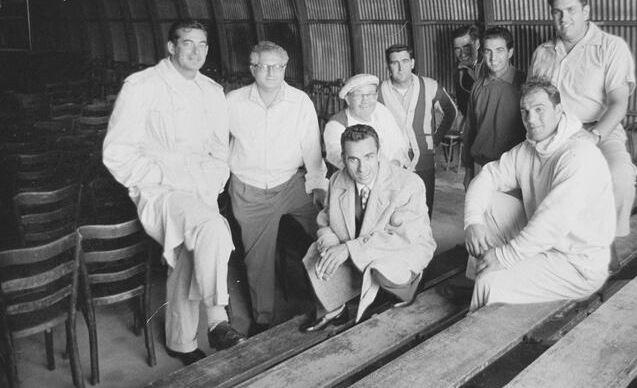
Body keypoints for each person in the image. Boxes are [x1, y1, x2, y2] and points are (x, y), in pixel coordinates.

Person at [103, 21, 245, 365]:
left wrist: (211, 183)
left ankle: (180, 343)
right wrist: (161, 177)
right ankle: (217, 320)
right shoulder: (142, 86)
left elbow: (219, 150)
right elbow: (116, 153)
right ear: (171, 47)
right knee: (213, 229)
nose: (196, 52)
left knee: (189, 254)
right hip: (160, 190)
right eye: (187, 43)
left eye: (202, 45)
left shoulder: (211, 91)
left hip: (201, 187)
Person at [464, 79, 616, 311]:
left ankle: (484, 298)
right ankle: (479, 281)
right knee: (488, 204)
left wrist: (503, 257)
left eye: (539, 109)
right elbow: (487, 176)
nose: (531, 119)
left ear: (558, 110)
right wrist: (472, 221)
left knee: (489, 281)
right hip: (546, 244)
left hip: (577, 264)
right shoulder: (529, 148)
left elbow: (551, 224)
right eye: (525, 112)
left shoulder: (577, 154)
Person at [226, 41, 327, 332]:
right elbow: (218, 147)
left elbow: (311, 148)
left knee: (330, 229)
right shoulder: (232, 102)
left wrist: (318, 186)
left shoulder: (300, 101)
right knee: (258, 260)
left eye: (278, 66)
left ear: (285, 67)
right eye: (264, 66)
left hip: (291, 184)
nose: (272, 72)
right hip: (250, 189)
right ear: (252, 68)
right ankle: (262, 320)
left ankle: (335, 301)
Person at [300, 124, 436, 331]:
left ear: (379, 154)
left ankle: (411, 284)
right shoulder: (337, 180)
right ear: (343, 158)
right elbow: (325, 221)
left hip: (402, 247)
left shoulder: (409, 183)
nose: (362, 168)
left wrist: (348, 249)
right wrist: (330, 246)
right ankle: (335, 308)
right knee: (317, 258)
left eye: (369, 157)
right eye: (353, 159)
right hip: (359, 247)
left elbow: (402, 237)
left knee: (382, 272)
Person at [529, 0, 637, 244]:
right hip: (554, 133)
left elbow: (618, 103)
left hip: (599, 130)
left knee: (621, 175)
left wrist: (595, 136)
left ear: (586, 11)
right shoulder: (543, 53)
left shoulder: (611, 47)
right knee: (538, 186)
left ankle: (608, 244)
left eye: (571, 10)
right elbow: (533, 100)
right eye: (557, 12)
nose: (564, 18)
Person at [378, 43, 457, 216]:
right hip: (392, 162)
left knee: (424, 211)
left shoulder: (430, 86)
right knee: (395, 213)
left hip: (424, 160)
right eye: (395, 63)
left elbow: (451, 111)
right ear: (388, 66)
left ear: (412, 63)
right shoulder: (379, 92)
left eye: (405, 61)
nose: (401, 68)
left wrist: (436, 139)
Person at [461, 26, 527, 189]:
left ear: (510, 52)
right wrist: (468, 170)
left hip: (513, 169)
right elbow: (470, 131)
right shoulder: (477, 86)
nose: (493, 58)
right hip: (481, 167)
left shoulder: (525, 84)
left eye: (499, 50)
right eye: (488, 51)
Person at [322, 74, 410, 171]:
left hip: (392, 172)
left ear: (376, 96)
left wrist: (395, 164)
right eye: (358, 95)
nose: (365, 100)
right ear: (347, 99)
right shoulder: (336, 124)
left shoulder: (381, 110)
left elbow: (399, 145)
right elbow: (337, 157)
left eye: (370, 94)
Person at [452, 25, 483, 116]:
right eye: (457, 49)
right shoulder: (458, 68)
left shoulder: (490, 64)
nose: (462, 54)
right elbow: (462, 103)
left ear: (477, 44)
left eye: (466, 47)